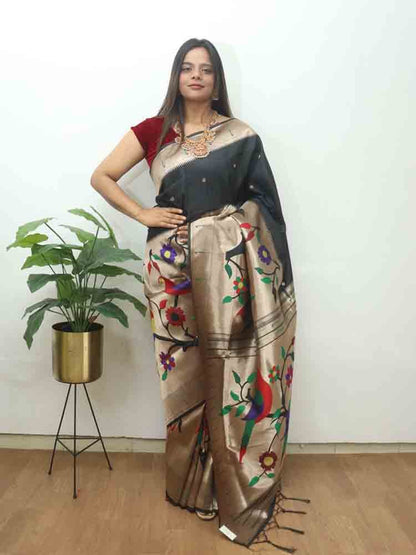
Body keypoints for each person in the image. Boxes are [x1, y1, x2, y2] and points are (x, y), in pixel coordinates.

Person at [90, 37, 311, 553]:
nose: (196, 76)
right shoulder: (153, 131)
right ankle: (192, 485)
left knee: (230, 372)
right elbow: (101, 176)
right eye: (187, 68)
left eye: (205, 69)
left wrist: (221, 228)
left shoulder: (240, 136)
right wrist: (143, 213)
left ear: (216, 80)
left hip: (230, 276)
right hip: (170, 273)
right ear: (176, 76)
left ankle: (233, 483)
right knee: (184, 376)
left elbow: (263, 205)